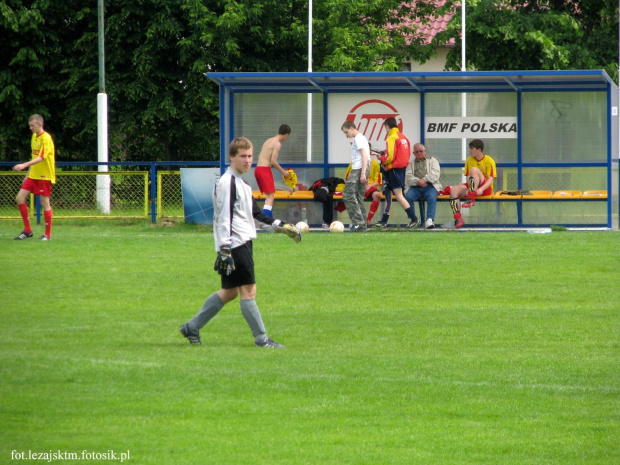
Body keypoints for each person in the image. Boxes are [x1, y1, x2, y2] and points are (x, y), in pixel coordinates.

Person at [181, 137, 301, 348]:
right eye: (243, 156)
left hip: (238, 242)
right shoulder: (228, 184)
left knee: (231, 292)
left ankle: (192, 327)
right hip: (236, 244)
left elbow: (255, 215)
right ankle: (261, 339)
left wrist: (281, 226)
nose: (247, 161)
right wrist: (224, 249)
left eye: (250, 156)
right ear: (232, 157)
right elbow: (223, 218)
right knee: (248, 290)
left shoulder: (242, 184)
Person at [12, 114, 56, 241]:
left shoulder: (46, 138)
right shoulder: (33, 137)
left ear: (39, 125)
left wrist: (24, 165)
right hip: (33, 174)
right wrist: (27, 174)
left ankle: (47, 234)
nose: (30, 128)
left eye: (32, 125)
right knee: (20, 198)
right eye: (30, 125)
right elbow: (34, 156)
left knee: (44, 202)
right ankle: (27, 231)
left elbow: (41, 157)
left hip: (44, 175)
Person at [439, 139, 497, 229]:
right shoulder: (469, 160)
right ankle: (458, 219)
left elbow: (490, 179)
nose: (470, 151)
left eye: (472, 148)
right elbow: (468, 177)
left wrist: (481, 189)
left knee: (474, 169)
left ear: (479, 150)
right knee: (453, 190)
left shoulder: (489, 160)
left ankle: (471, 198)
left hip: (485, 188)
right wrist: (469, 188)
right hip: (473, 187)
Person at [373, 117, 419, 228]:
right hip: (400, 169)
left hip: (393, 169)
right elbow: (403, 154)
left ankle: (414, 219)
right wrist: (385, 153)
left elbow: (390, 157)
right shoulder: (404, 137)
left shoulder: (391, 137)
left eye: (385, 127)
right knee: (388, 195)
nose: (385, 129)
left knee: (398, 195)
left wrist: (382, 158)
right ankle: (384, 221)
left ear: (387, 126)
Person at [254, 124, 292, 218]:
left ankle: (268, 217)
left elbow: (260, 156)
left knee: (268, 196)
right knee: (271, 196)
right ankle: (266, 219)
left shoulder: (268, 140)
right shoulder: (277, 144)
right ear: (286, 134)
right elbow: (273, 162)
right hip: (264, 170)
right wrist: (284, 172)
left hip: (258, 169)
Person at [404, 143, 442, 229]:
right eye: (416, 152)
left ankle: (429, 220)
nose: (419, 153)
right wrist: (418, 181)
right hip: (415, 186)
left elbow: (435, 174)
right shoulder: (411, 164)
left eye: (421, 151)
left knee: (432, 197)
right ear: (413, 153)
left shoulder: (433, 161)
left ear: (425, 151)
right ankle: (413, 220)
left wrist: (425, 180)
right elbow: (408, 176)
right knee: (408, 197)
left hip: (430, 185)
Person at [341, 121, 369, 232]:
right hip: (363, 167)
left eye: (346, 132)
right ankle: (363, 226)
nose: (346, 135)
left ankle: (358, 223)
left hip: (359, 168)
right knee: (358, 196)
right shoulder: (362, 138)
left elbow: (364, 155)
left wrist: (362, 173)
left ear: (352, 128)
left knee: (347, 194)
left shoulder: (358, 138)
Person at [344, 157, 383, 227]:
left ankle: (368, 219)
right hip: (356, 187)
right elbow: (348, 178)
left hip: (369, 187)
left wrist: (369, 186)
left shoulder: (375, 164)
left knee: (377, 195)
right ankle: (357, 221)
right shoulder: (353, 163)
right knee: (351, 197)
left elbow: (378, 181)